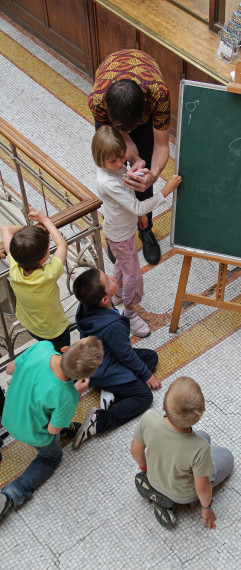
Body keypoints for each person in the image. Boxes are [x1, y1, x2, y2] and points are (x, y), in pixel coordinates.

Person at [0, 336, 103, 523]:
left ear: (65, 349)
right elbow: (52, 429)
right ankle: (13, 493)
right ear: (83, 377)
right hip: (32, 432)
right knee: (51, 458)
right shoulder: (68, 395)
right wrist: (76, 392)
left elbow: (9, 369)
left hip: (9, 416)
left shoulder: (42, 348)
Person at [91, 125, 181, 336]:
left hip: (124, 228)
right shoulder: (107, 182)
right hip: (120, 233)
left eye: (122, 157)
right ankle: (129, 314)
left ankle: (119, 292)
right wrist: (165, 191)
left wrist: (138, 216)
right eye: (113, 160)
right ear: (99, 160)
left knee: (124, 263)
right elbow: (137, 205)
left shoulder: (114, 168)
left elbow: (129, 200)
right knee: (134, 276)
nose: (120, 163)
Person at [88, 49, 171, 266]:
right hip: (110, 102)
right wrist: (125, 141)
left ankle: (146, 230)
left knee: (142, 174)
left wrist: (152, 175)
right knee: (111, 170)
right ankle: (114, 233)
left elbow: (162, 145)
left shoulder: (158, 94)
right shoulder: (97, 101)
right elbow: (120, 138)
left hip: (144, 91)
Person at [72, 267, 161, 449]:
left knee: (151, 357)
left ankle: (112, 391)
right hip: (106, 369)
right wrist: (147, 376)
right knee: (144, 397)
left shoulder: (86, 305)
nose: (113, 278)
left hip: (99, 361)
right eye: (109, 280)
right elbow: (126, 355)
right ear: (105, 299)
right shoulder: (112, 326)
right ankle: (100, 420)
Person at [131, 376, 234, 529]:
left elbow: (135, 451)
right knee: (226, 456)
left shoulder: (149, 417)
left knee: (204, 436)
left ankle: (159, 495)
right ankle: (187, 503)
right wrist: (206, 508)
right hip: (184, 495)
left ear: (164, 406)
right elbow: (202, 487)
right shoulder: (199, 447)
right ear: (199, 414)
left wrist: (146, 470)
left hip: (153, 477)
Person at [0, 208, 70, 352]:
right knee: (62, 357)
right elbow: (62, 245)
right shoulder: (49, 274)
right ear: (43, 258)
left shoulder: (14, 267)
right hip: (55, 331)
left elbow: (5, 229)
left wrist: (26, 235)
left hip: (30, 326)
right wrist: (44, 220)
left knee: (47, 354)